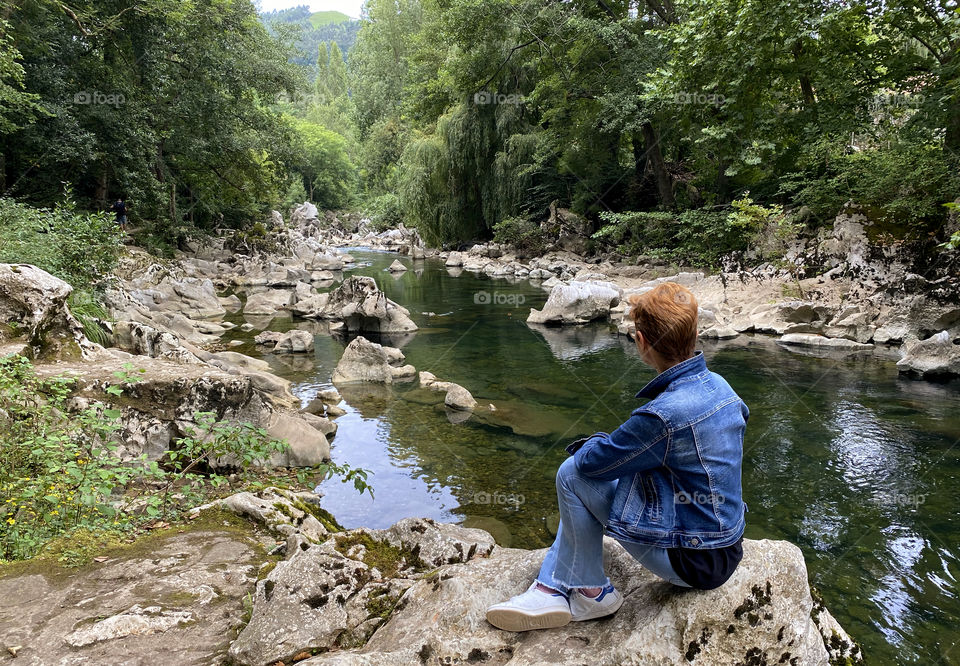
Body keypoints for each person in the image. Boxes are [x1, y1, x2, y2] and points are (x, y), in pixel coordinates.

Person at [486, 282, 748, 632]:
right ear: (695, 333)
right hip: (727, 546)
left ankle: (589, 592)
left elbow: (591, 465)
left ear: (641, 343)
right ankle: (552, 585)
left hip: (692, 561)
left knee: (572, 474)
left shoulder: (662, 416)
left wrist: (607, 443)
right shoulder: (722, 387)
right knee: (611, 477)